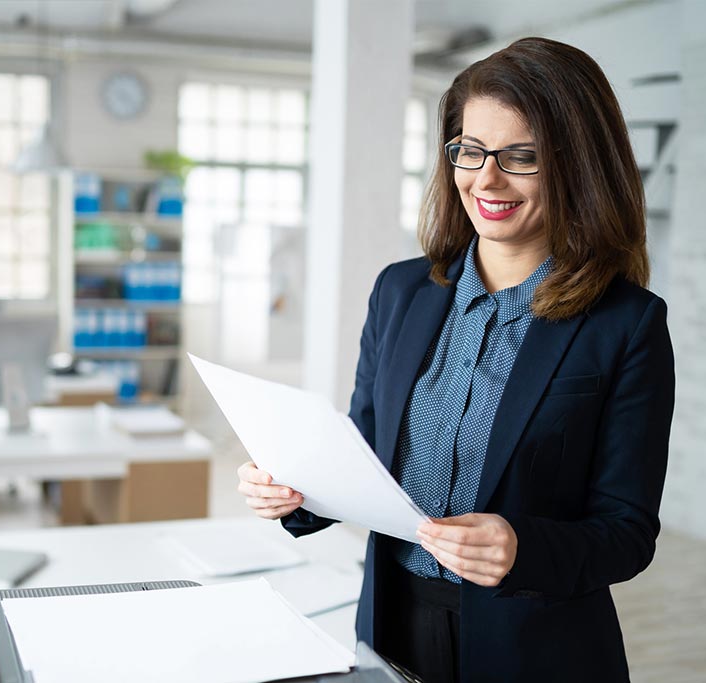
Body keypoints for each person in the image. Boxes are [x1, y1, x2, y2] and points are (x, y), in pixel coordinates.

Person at [236, 37, 675, 683]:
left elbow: (627, 530)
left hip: (534, 648)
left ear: (577, 164)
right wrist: (292, 491)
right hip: (392, 625)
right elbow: (364, 455)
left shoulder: (626, 323)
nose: (486, 178)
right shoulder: (400, 290)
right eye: (470, 150)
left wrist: (522, 547)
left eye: (520, 156)